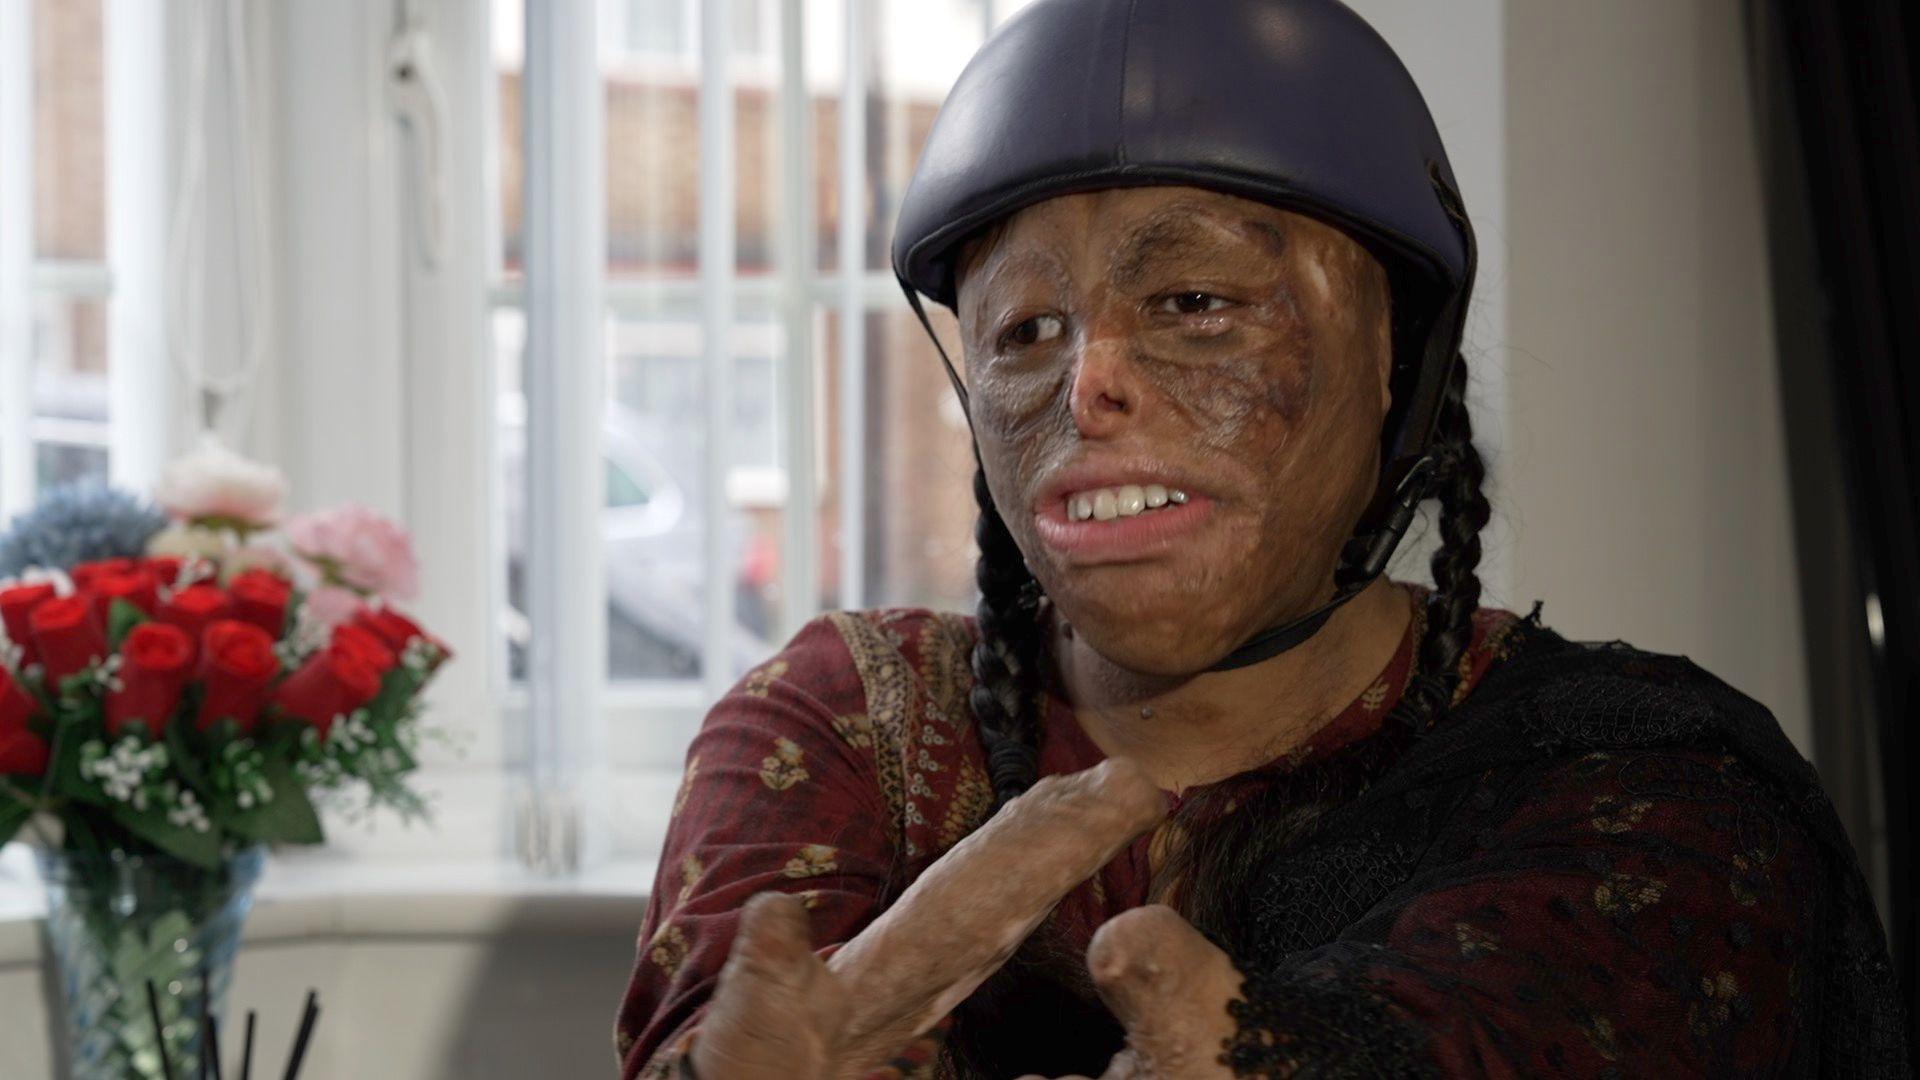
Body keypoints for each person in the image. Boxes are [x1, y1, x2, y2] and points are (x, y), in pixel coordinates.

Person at [615, 1, 1907, 1076]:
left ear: (1393, 359)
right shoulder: (841, 727)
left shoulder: (1649, 788)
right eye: (1024, 332)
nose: (1089, 386)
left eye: (1192, 301)